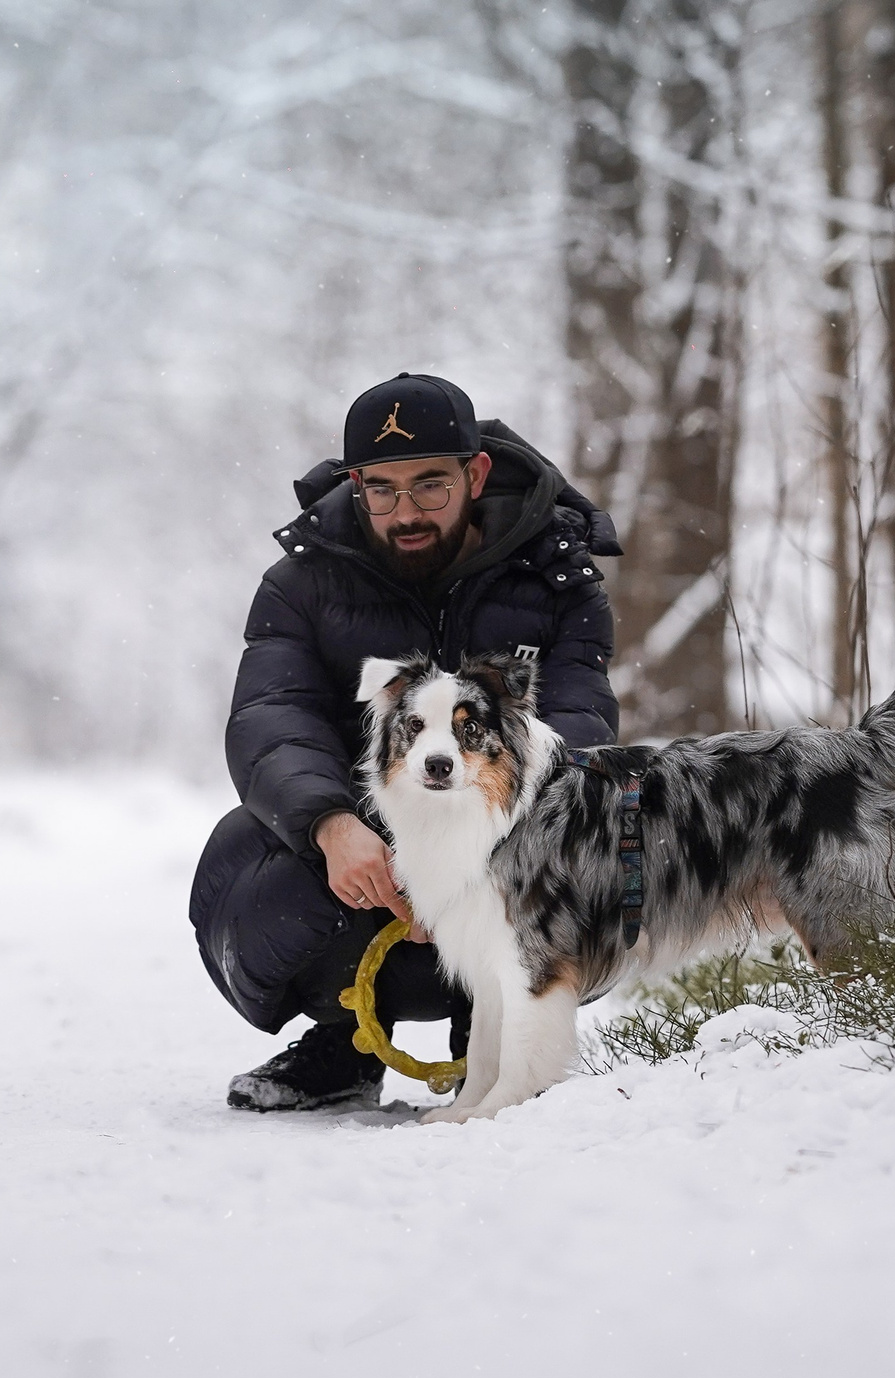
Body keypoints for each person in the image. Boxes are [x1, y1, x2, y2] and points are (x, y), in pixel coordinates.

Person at [190, 373, 620, 1110]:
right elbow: (272, 717)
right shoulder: (301, 584)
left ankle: (494, 1029)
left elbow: (578, 731)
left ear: (475, 473)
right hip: (363, 859)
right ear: (356, 483)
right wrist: (331, 826)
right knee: (248, 858)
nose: (405, 511)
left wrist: (471, 859)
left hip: (507, 848)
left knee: (600, 850)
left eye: (430, 485)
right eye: (381, 489)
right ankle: (345, 1038)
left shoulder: (558, 582)